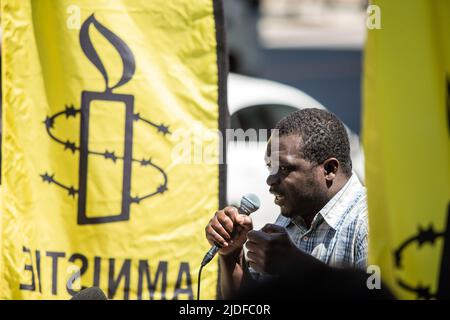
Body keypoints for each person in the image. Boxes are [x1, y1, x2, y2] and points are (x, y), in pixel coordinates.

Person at [205, 108, 369, 299]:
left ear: (329, 169)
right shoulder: (287, 219)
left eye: (284, 168)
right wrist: (232, 255)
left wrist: (298, 267)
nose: (270, 180)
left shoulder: (368, 222)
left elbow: (376, 294)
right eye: (270, 167)